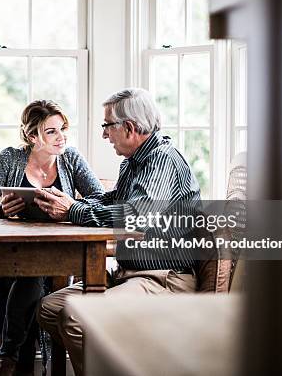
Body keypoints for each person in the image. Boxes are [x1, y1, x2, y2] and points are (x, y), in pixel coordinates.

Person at [34, 88, 202, 376]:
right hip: (128, 274)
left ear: (130, 127)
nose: (104, 135)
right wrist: (70, 203)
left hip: (164, 279)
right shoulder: (133, 163)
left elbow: (136, 216)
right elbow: (112, 200)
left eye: (107, 126)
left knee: (76, 318)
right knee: (49, 308)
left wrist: (73, 211)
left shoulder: (162, 159)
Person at [0, 100, 104, 376]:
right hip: (16, 254)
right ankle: (16, 362)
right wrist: (0, 209)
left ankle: (7, 359)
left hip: (58, 254)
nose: (61, 137)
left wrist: (70, 207)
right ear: (32, 136)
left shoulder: (71, 159)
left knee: (33, 275)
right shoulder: (10, 158)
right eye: (51, 131)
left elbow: (100, 201)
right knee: (31, 276)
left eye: (63, 129)